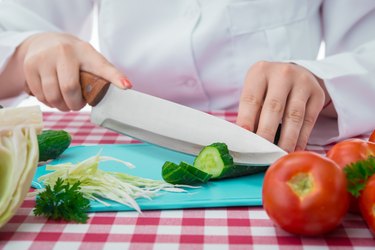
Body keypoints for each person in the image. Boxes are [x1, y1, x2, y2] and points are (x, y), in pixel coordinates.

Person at [0, 0, 374, 153]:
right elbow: (11, 28)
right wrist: (28, 51)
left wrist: (323, 81)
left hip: (285, 145)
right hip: (127, 142)